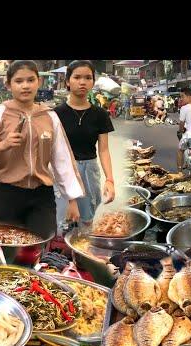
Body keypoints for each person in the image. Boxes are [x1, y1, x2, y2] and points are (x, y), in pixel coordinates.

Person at [0, 60, 84, 238]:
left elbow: (62, 158)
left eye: (30, 80)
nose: (25, 86)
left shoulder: (49, 116)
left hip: (42, 195)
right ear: (8, 84)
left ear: (38, 82)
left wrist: (72, 200)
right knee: (8, 248)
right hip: (7, 193)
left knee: (42, 244)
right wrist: (3, 145)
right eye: (19, 81)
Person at [53, 60, 115, 228]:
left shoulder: (100, 115)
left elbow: (103, 150)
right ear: (67, 81)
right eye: (77, 77)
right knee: (62, 222)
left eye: (88, 78)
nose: (82, 82)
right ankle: (58, 254)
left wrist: (109, 180)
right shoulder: (56, 114)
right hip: (64, 171)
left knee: (87, 221)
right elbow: (53, 152)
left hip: (90, 171)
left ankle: (81, 253)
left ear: (93, 82)